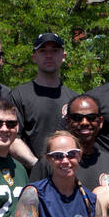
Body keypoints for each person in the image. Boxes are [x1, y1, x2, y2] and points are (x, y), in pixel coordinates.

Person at [8, 32, 79, 170]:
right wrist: (39, 166)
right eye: (43, 51)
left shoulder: (74, 99)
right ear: (34, 57)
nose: (49, 55)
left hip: (67, 175)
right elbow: (12, 138)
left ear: (63, 56)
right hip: (30, 176)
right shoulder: (19, 95)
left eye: (54, 50)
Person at [29, 95, 109, 189]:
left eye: (91, 117)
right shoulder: (50, 161)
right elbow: (30, 199)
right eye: (77, 118)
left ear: (100, 122)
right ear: (67, 122)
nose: (84, 122)